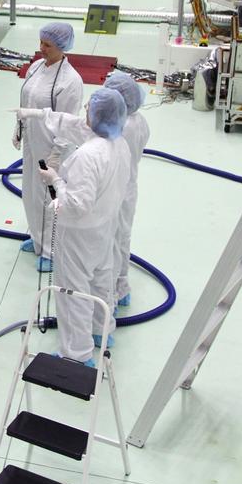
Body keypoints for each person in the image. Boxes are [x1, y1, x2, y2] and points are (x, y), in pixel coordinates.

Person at [18, 88, 131, 364]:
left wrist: (54, 181)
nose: (84, 112)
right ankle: (100, 332)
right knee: (100, 281)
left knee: (73, 291)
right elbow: (72, 125)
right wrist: (38, 114)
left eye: (89, 108)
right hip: (105, 227)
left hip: (78, 233)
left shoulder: (87, 156)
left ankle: (76, 354)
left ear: (98, 116)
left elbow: (75, 205)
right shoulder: (119, 144)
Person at [13, 22, 84, 273]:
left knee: (49, 200)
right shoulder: (35, 68)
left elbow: (68, 120)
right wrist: (18, 129)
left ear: (62, 47)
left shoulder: (70, 81)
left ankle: (51, 251)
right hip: (32, 143)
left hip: (51, 148)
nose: (40, 48)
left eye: (47, 45)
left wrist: (56, 156)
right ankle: (37, 238)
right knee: (30, 193)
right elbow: (25, 101)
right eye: (41, 42)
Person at [103, 72, 150, 309]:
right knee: (122, 237)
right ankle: (121, 286)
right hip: (128, 186)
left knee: (113, 240)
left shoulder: (122, 127)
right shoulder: (139, 120)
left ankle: (113, 290)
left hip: (116, 189)